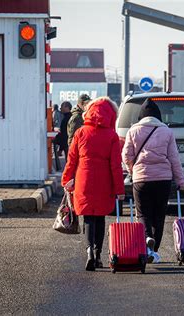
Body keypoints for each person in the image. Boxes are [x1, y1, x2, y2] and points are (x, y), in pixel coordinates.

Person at [61, 97, 125, 271]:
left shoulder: (80, 132)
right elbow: (115, 166)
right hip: (105, 181)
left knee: (88, 216)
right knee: (101, 216)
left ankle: (89, 250)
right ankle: (97, 254)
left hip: (84, 179)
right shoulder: (112, 136)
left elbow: (71, 160)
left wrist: (66, 179)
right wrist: (119, 189)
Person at [122, 98, 184, 263]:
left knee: (143, 213)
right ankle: (154, 249)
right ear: (158, 116)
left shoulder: (133, 131)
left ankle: (146, 238)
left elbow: (126, 156)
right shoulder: (166, 131)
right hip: (163, 180)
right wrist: (182, 182)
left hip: (141, 179)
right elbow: (174, 159)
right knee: (159, 215)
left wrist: (132, 170)